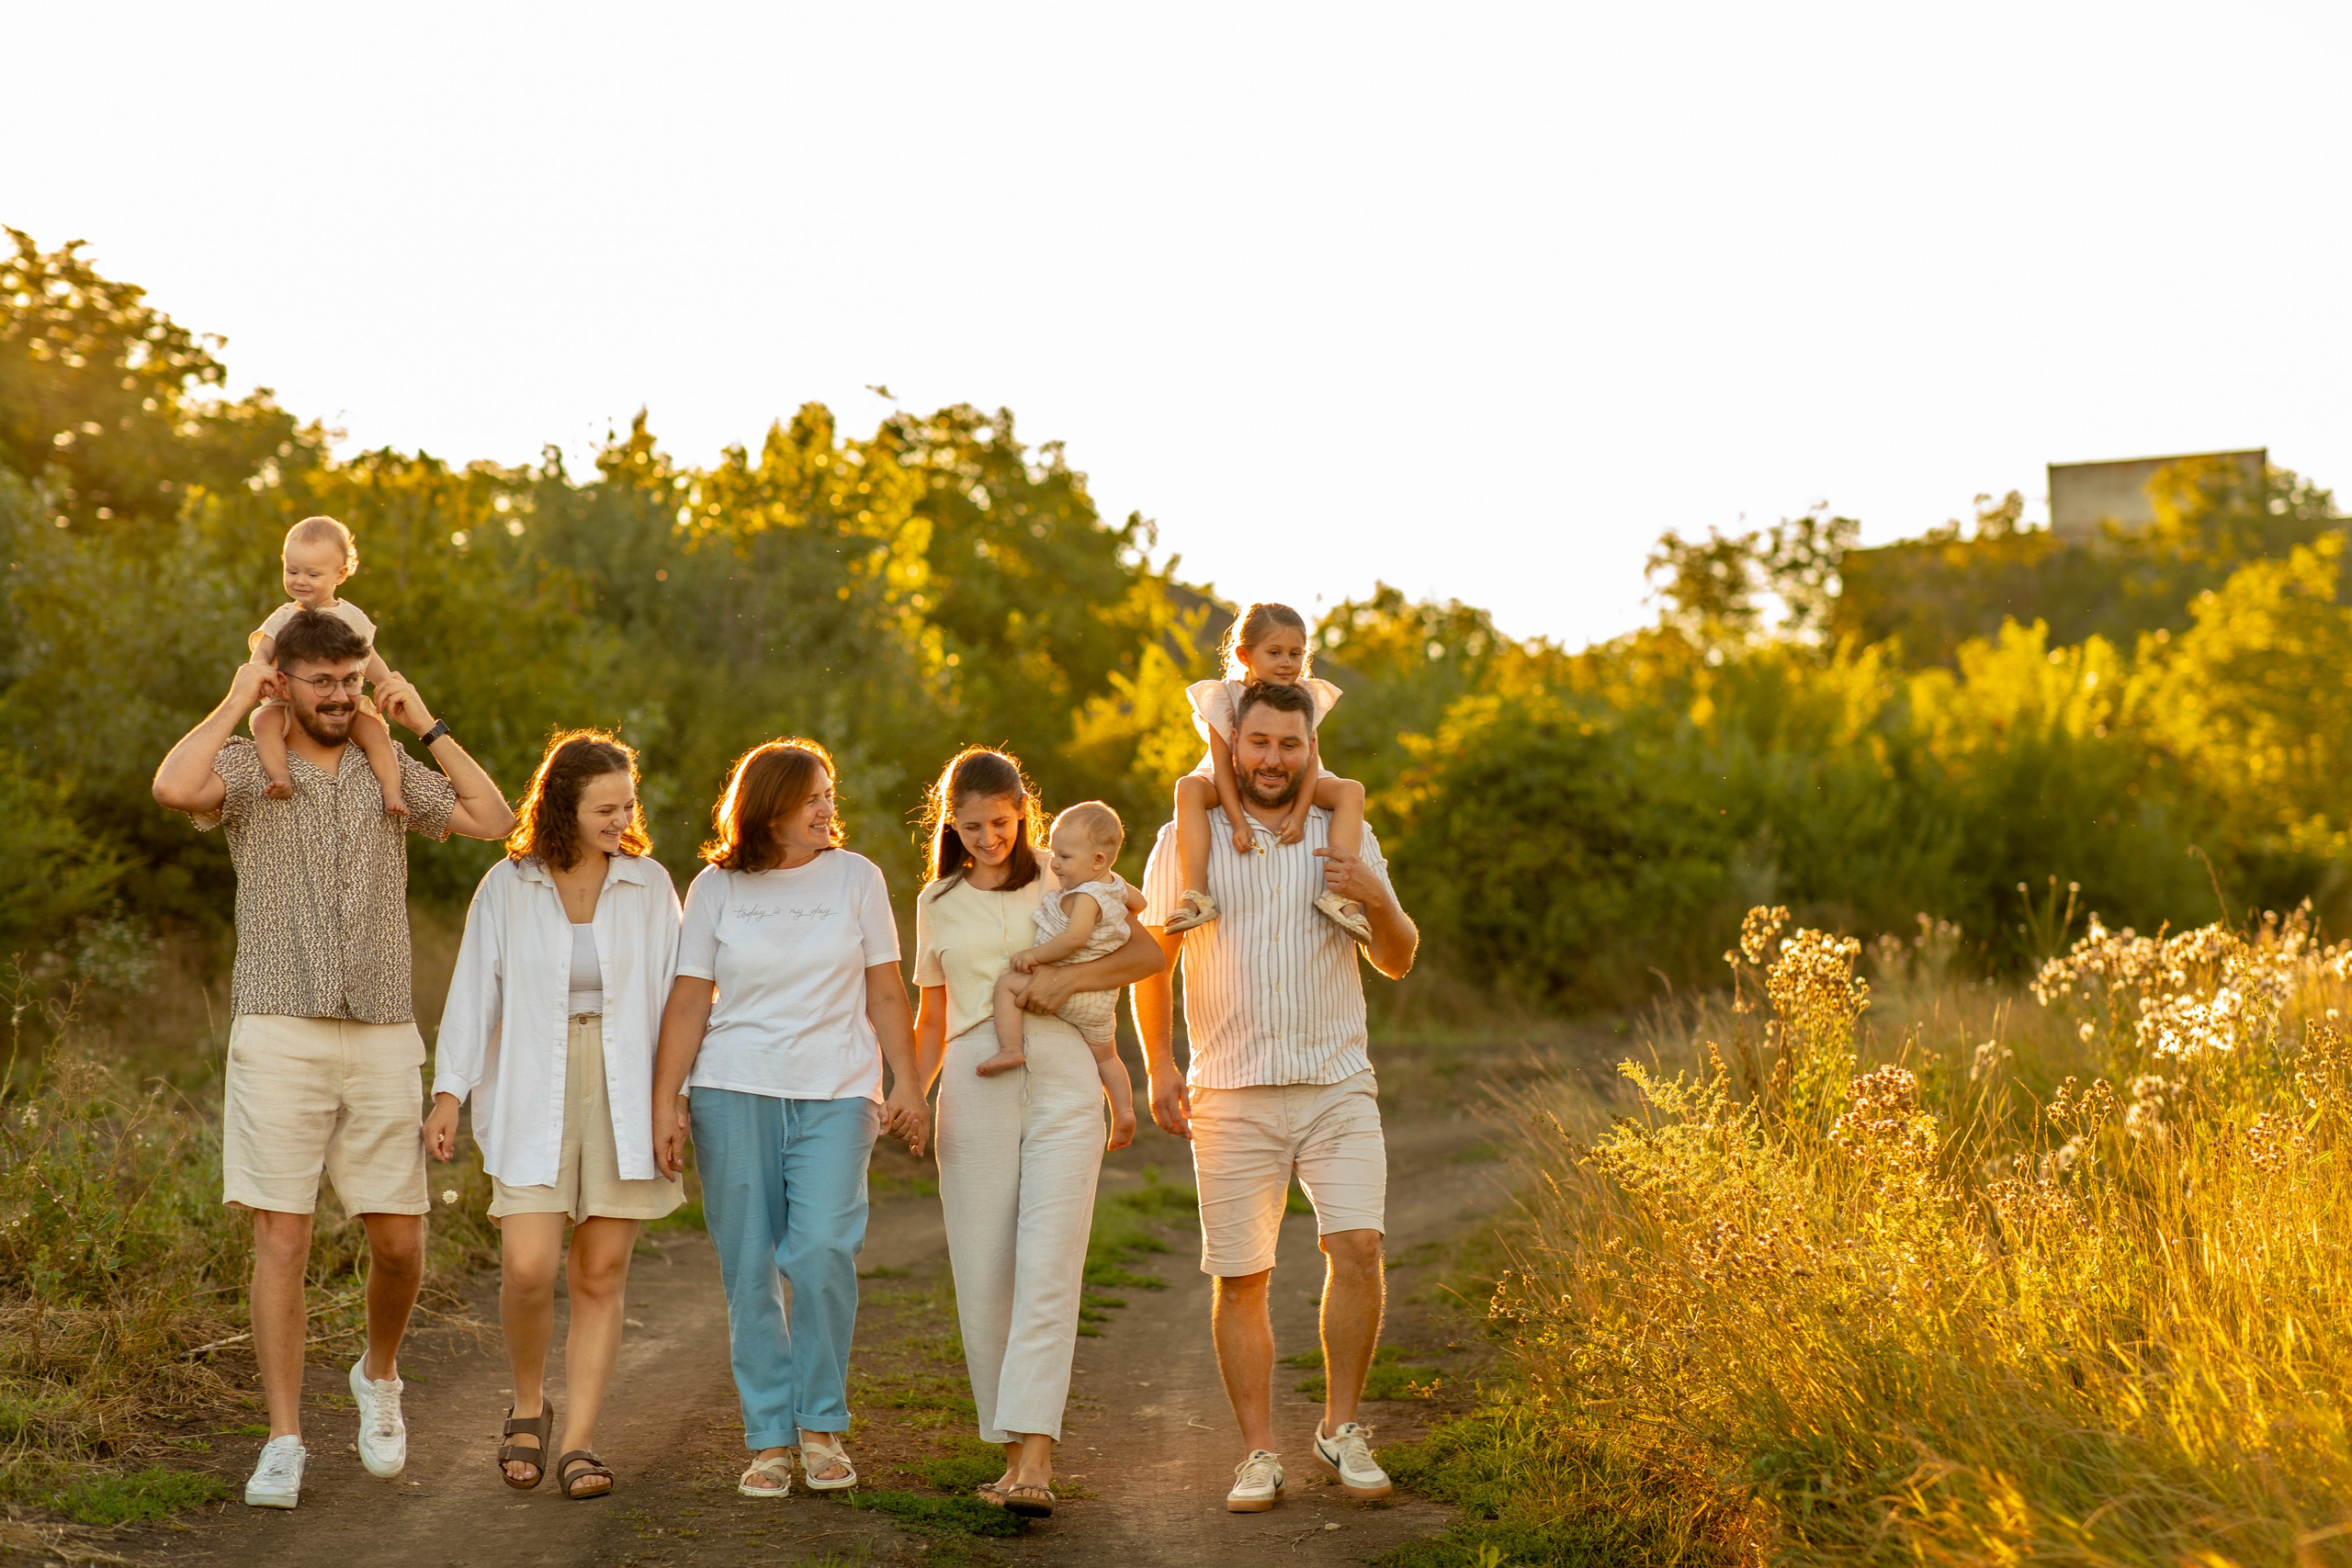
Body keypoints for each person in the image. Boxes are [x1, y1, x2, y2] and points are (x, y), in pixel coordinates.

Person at [150, 607, 514, 1510]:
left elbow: (494, 816)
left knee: (399, 1240)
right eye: (324, 682)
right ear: (287, 680)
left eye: (352, 681)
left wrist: (420, 716)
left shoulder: (386, 766)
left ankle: (377, 1374)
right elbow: (171, 785)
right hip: (277, 1026)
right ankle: (283, 1438)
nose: (342, 697)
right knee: (285, 1233)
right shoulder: (246, 765)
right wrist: (241, 694)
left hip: (384, 1028)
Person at [1133, 679, 1419, 1515]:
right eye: (1258, 742)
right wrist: (1157, 1064)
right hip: (1229, 1088)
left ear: (1310, 749)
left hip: (1338, 1080)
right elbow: (1153, 958)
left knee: (1359, 1245)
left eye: (1289, 745)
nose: (1272, 759)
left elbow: (1398, 957)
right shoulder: (1186, 837)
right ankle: (1258, 1451)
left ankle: (1341, 1427)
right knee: (1242, 1277)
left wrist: (1374, 897)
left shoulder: (1347, 834)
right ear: (1234, 740)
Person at [650, 739, 928, 1499]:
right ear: (768, 807)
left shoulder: (859, 878)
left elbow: (885, 991)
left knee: (823, 1249)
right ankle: (770, 1436)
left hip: (838, 1088)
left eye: (829, 794)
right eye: (812, 797)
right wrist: (665, 1099)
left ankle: (821, 1424)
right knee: (749, 1268)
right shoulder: (715, 888)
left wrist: (908, 1081)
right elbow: (687, 1000)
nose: (827, 808)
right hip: (732, 1088)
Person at [426, 731, 684, 1500]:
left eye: (627, 804)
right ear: (563, 805)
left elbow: (680, 998)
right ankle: (529, 1405)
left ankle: (578, 1442)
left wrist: (675, 1101)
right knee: (530, 1267)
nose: (620, 818)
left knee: (600, 1272)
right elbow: (475, 993)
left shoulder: (649, 883)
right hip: (530, 1080)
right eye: (605, 806)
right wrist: (449, 1092)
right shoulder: (509, 885)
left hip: (627, 1083)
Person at [911, 750, 1167, 1519]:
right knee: (985, 1268)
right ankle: (1009, 1441)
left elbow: (1149, 950)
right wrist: (905, 1094)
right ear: (949, 823)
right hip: (970, 1080)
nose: (991, 836)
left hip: (1061, 1071)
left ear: (1023, 810)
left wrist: (1062, 980)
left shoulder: (1065, 874)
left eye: (1003, 820)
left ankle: (1036, 1460)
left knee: (1049, 1259)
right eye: (973, 824)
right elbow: (929, 1017)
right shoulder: (937, 898)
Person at [1164, 602, 1371, 942]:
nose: (1287, 663)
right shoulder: (1223, 696)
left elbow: (1309, 760)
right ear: (1245, 655)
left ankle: (1341, 896)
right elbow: (1221, 764)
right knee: (1188, 787)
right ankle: (1196, 893)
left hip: (1295, 776)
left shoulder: (1305, 695)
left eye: (1296, 653)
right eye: (1275, 652)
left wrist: (1300, 815)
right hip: (1232, 775)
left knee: (1352, 790)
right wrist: (1238, 821)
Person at [974, 800, 1144, 1147]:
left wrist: (1034, 955)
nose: (1055, 863)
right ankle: (1124, 1110)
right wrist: (1118, 896)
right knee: (1107, 1056)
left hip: (1069, 990)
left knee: (1007, 985)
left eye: (1064, 857)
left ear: (1097, 860)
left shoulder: (1086, 896)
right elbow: (1140, 903)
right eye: (1054, 853)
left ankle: (1009, 1049)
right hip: (1102, 1000)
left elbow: (1074, 939)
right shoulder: (1112, 883)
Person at [245, 515, 407, 817]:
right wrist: (260, 671)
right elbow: (263, 649)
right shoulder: (284, 616)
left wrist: (386, 683)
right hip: (288, 703)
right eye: (291, 571)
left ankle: (392, 790)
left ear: (341, 574)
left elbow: (369, 656)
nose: (300, 580)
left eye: (313, 574)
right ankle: (280, 775)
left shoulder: (352, 618)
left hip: (343, 703)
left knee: (374, 732)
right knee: (262, 723)